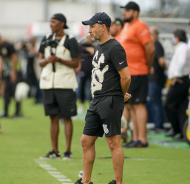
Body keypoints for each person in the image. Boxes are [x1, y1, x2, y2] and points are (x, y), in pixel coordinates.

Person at [74, 12, 131, 184]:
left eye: (92, 26)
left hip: (109, 100)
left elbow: (126, 77)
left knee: (113, 143)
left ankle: (118, 182)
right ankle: (86, 181)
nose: (89, 30)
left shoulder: (115, 47)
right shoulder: (99, 46)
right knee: (86, 141)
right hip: (97, 99)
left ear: (103, 27)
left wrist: (119, 95)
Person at [38, 13, 79, 160]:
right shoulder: (46, 39)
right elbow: (40, 62)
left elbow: (76, 63)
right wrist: (49, 60)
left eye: (53, 22)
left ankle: (68, 151)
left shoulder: (71, 41)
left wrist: (60, 60)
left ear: (62, 24)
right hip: (48, 83)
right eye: (50, 22)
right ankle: (54, 150)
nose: (51, 24)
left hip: (65, 83)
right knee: (52, 117)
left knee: (67, 117)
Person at [119, 1, 155, 148]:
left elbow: (150, 49)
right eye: (124, 10)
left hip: (139, 71)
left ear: (135, 12)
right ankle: (136, 138)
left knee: (139, 105)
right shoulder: (127, 26)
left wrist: (148, 65)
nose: (124, 13)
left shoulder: (140, 25)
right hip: (129, 72)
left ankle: (143, 139)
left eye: (127, 10)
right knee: (132, 105)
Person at [165, 29, 190, 140]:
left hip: (180, 80)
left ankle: (175, 128)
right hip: (181, 79)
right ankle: (182, 131)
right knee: (181, 107)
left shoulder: (183, 48)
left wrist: (176, 76)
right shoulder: (181, 47)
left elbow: (181, 63)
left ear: (177, 37)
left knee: (168, 104)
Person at [0, 34, 22, 117]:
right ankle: (6, 112)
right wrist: (0, 73)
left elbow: (15, 57)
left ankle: (17, 112)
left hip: (14, 72)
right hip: (7, 73)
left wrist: (13, 71)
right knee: (6, 92)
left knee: (15, 92)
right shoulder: (0, 47)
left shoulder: (8, 45)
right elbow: (1, 59)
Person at [147, 26, 166, 132]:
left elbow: (162, 61)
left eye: (151, 34)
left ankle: (158, 125)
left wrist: (161, 69)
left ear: (156, 35)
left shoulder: (157, 46)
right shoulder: (154, 46)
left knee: (155, 101)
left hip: (156, 79)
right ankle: (157, 124)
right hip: (153, 79)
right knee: (154, 101)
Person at [77, 35, 96, 114]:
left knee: (92, 88)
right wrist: (88, 49)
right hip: (83, 70)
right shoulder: (82, 46)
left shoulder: (96, 46)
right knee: (82, 87)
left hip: (93, 71)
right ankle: (81, 104)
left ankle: (91, 105)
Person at [25, 37, 42, 103]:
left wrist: (30, 47)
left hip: (38, 67)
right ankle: (36, 98)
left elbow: (37, 53)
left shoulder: (37, 45)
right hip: (32, 68)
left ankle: (40, 98)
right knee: (35, 83)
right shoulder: (32, 46)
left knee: (39, 83)